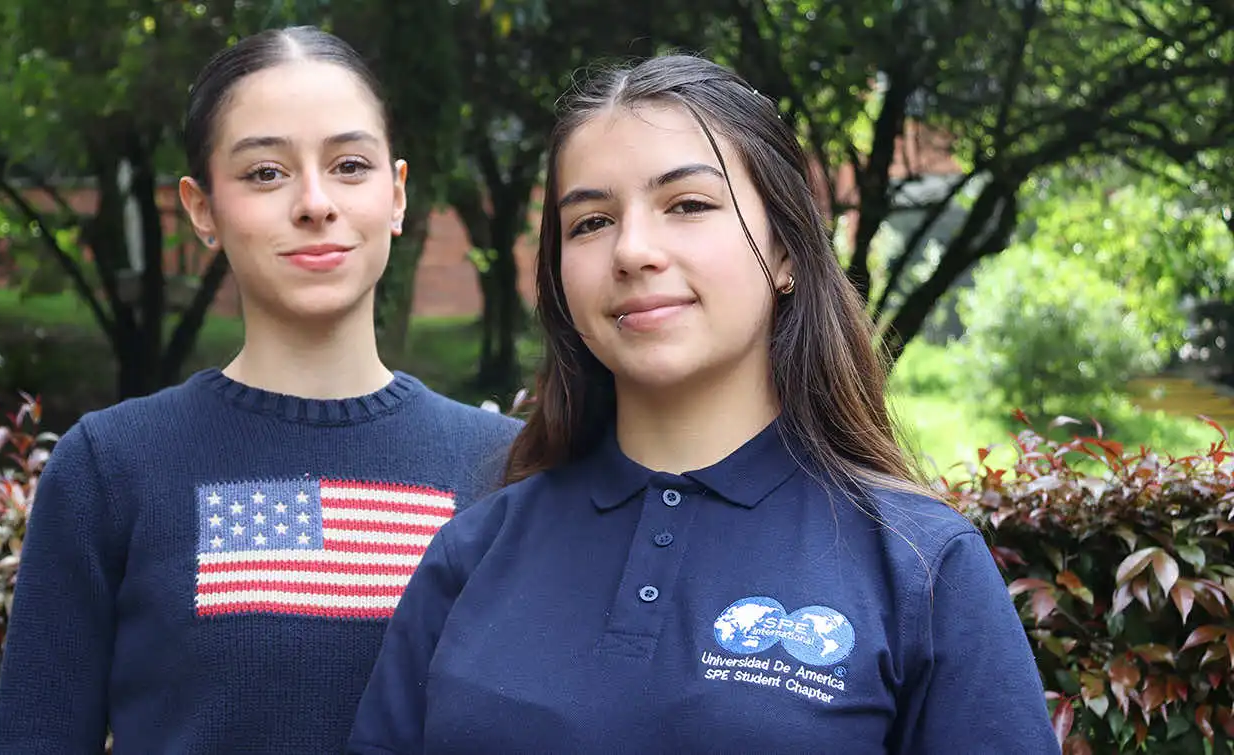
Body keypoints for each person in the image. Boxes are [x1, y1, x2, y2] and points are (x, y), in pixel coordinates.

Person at [347, 54, 1057, 754]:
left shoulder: (920, 564)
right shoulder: (475, 551)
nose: (633, 250)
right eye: (590, 221)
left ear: (786, 251)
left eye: (688, 205)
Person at [0, 26, 523, 754]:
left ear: (397, 195)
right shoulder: (110, 466)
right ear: (202, 208)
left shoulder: (508, 468)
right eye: (266, 173)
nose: (314, 202)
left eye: (350, 165)